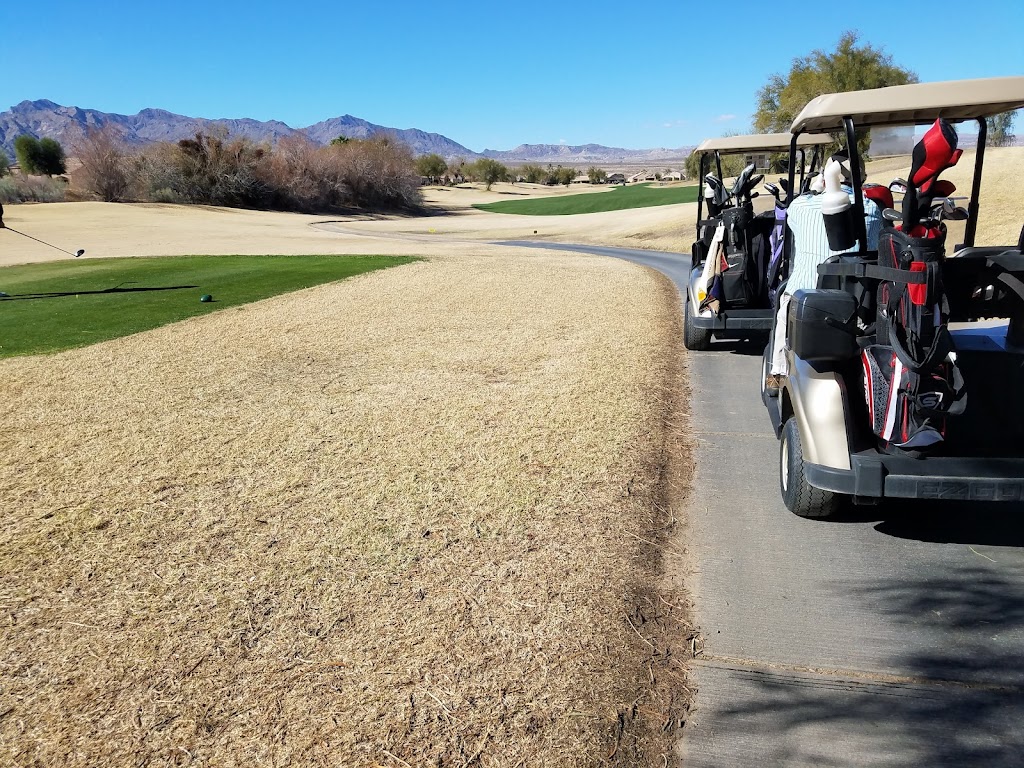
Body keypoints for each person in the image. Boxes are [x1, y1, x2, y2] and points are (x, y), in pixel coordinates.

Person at [767, 155, 883, 385]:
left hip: (805, 299)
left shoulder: (800, 206)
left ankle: (778, 372)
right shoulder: (871, 209)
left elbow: (792, 222)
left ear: (823, 177)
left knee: (784, 307)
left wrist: (815, 189)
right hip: (853, 302)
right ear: (860, 178)